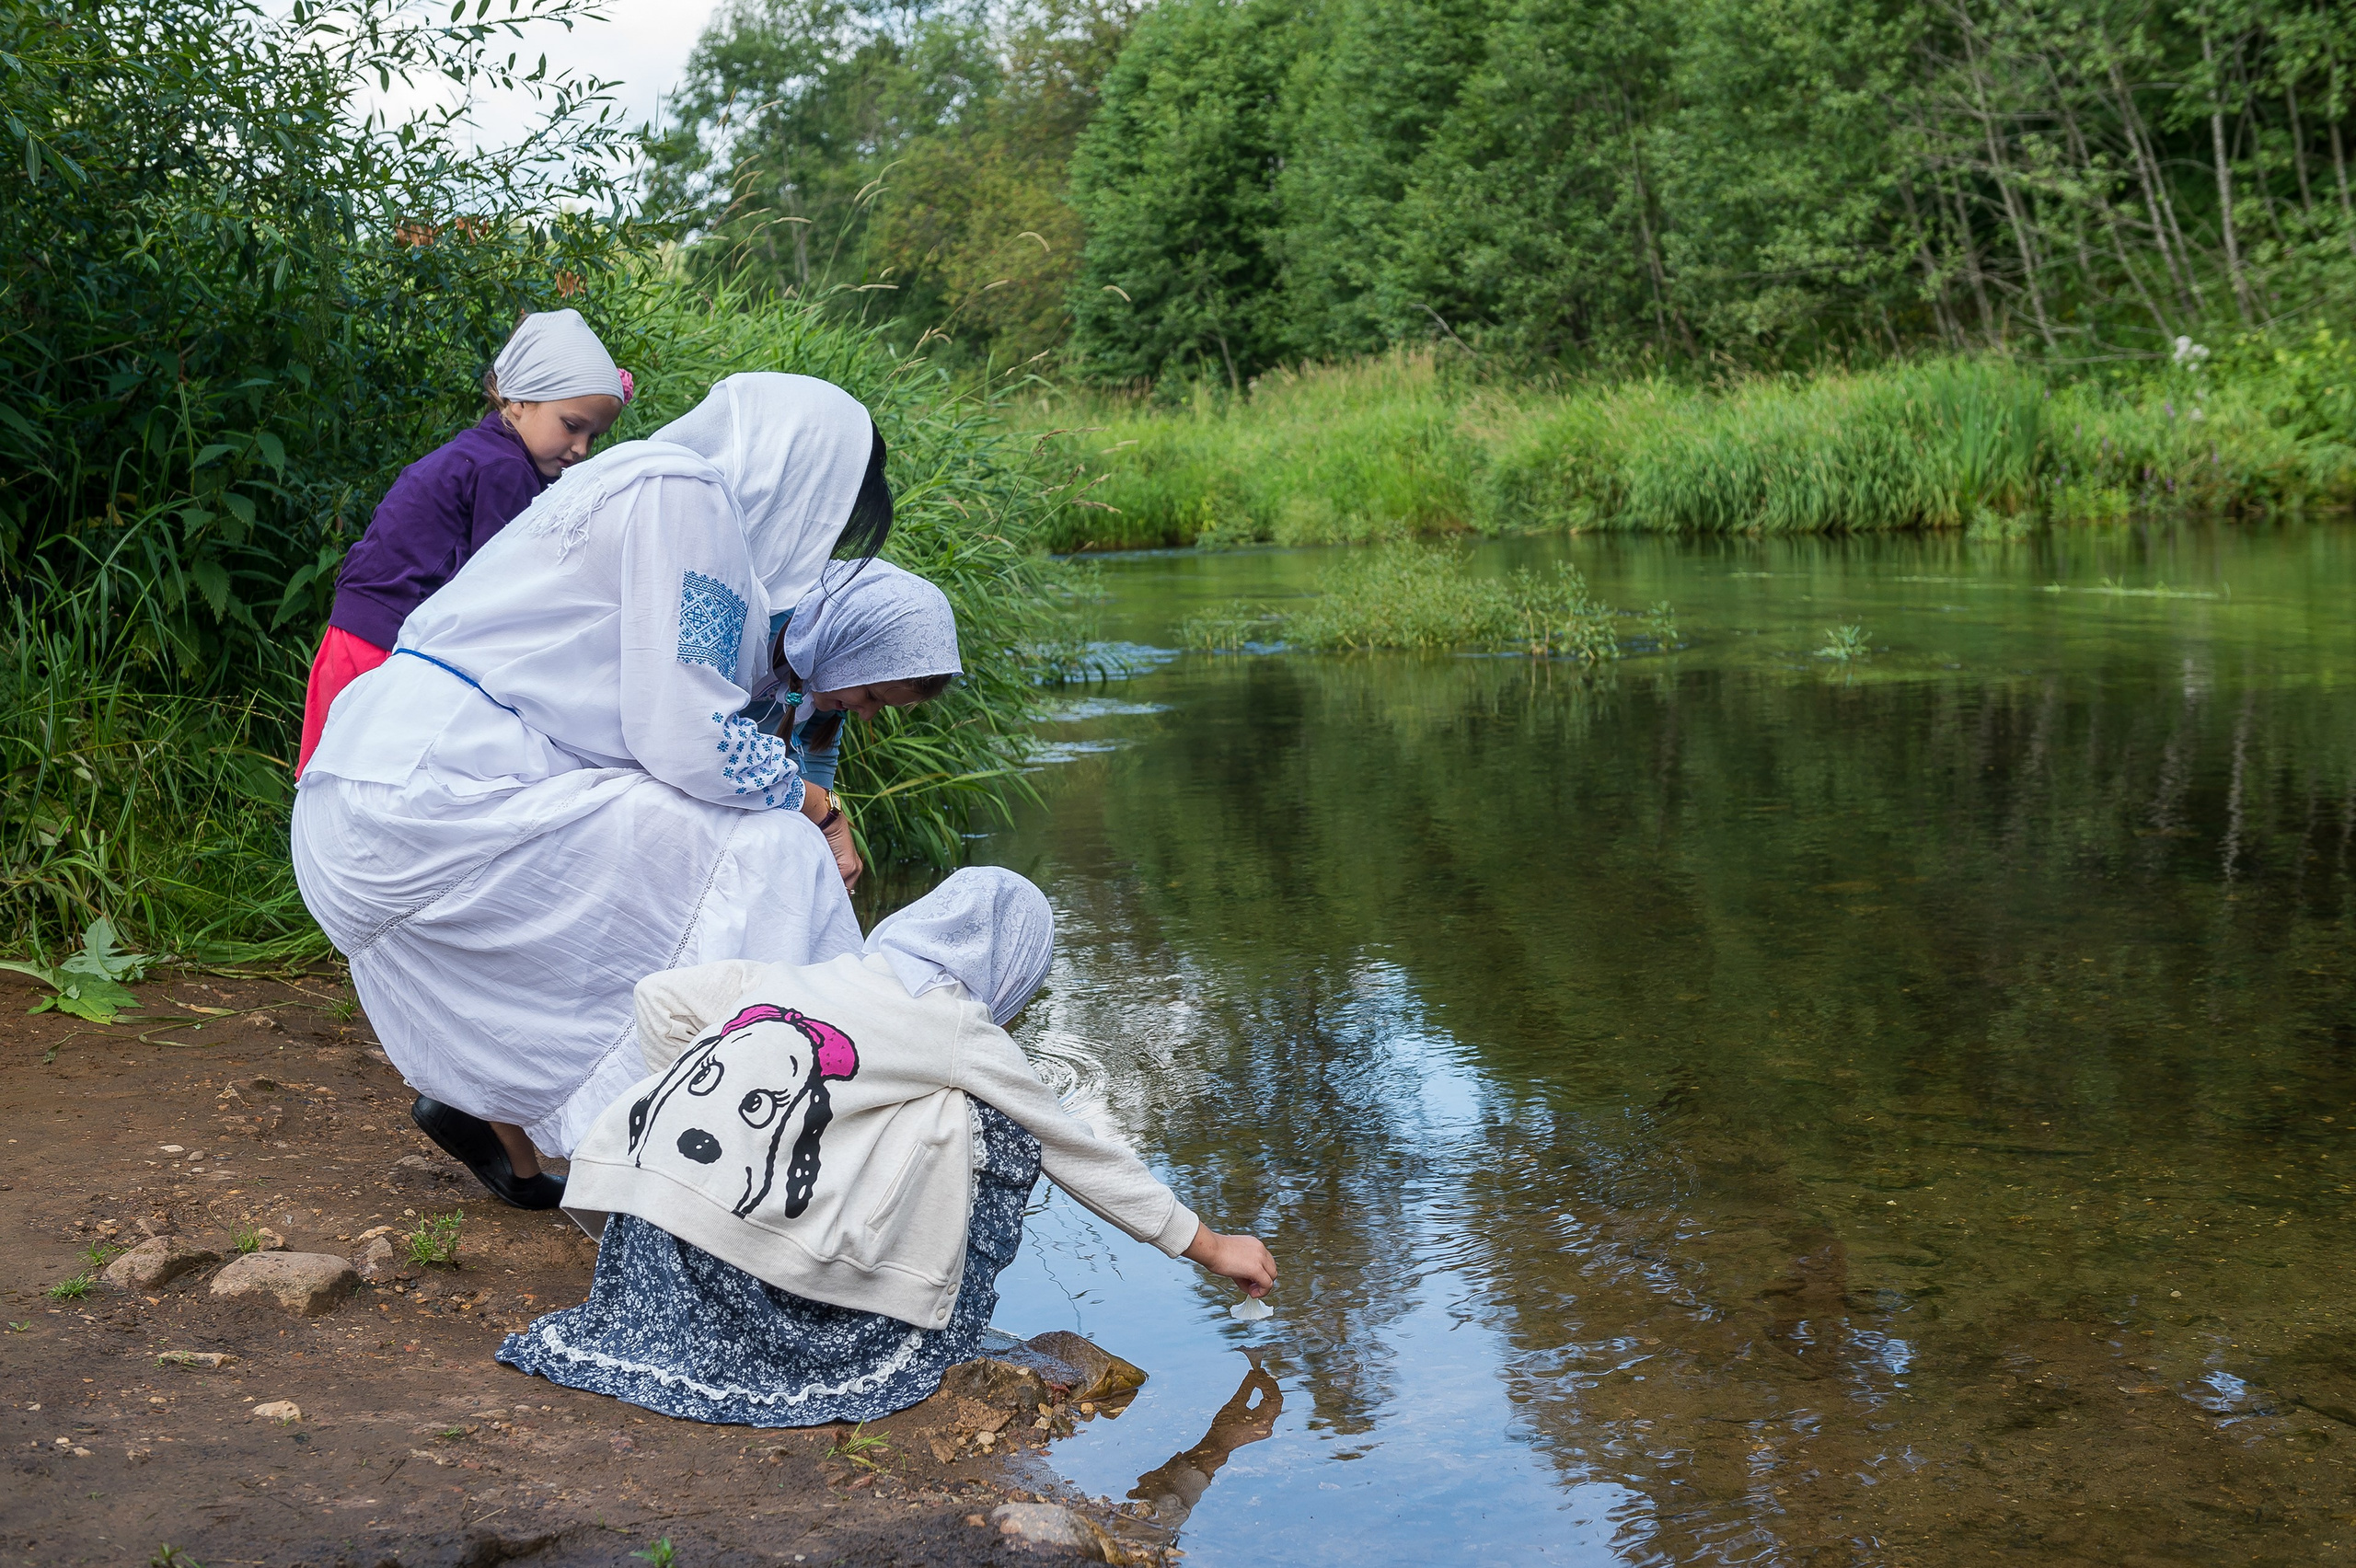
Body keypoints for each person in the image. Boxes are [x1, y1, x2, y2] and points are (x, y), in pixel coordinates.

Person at [292, 373, 901, 1211]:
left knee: (690, 879)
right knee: (772, 852)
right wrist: (818, 808)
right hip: (431, 799)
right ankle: (799, 1151)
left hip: (372, 802)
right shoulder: (685, 496)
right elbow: (690, 738)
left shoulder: (635, 481)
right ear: (807, 475)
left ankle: (653, 1142)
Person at [497, 868, 1278, 1426]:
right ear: (1007, 967)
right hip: (739, 1251)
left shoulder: (818, 974)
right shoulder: (952, 1024)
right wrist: (1208, 1245)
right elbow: (1071, 1145)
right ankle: (885, 1323)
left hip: (646, 1226)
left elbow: (658, 999)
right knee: (993, 1126)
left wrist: (721, 1122)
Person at [297, 308, 630, 775]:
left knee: (332, 774)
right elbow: (501, 585)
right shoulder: (505, 471)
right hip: (385, 638)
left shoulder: (479, 452)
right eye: (572, 426)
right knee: (371, 776)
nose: (581, 449)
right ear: (518, 401)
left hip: (353, 631)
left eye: (594, 436)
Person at [745, 557, 962, 892]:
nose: (867, 714)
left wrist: (820, 843)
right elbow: (712, 751)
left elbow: (817, 758)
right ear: (848, 648)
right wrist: (827, 815)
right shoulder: (757, 628)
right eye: (872, 695)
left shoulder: (830, 683)